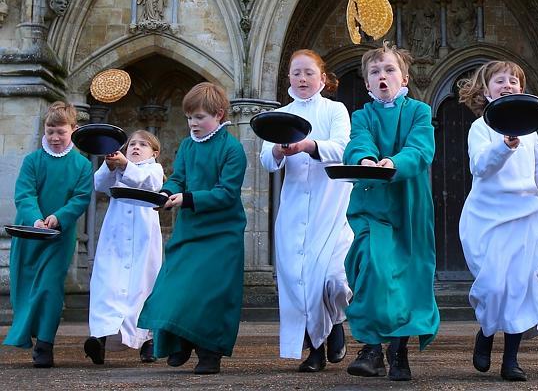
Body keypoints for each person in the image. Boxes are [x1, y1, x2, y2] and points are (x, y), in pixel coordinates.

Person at [456, 60, 538, 382]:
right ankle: (486, 331)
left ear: (521, 89)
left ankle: (510, 360)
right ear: (486, 89)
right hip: (489, 217)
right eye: (500, 81)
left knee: (520, 287)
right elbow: (480, 167)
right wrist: (504, 145)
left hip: (526, 214)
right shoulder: (481, 128)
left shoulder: (531, 132)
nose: (508, 85)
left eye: (514, 81)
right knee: (494, 285)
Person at [342, 42, 439, 382]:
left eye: (389, 70)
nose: (382, 76)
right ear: (367, 83)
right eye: (374, 72)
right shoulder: (362, 115)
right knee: (372, 265)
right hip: (372, 203)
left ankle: (398, 350)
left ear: (405, 76)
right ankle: (370, 346)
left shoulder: (419, 112)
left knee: (406, 278)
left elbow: (420, 148)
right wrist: (366, 159)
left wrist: (394, 162)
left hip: (409, 205)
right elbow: (359, 142)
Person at [137, 82, 247, 375]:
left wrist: (187, 199)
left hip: (222, 234)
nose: (193, 124)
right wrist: (165, 192)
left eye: (199, 117)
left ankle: (209, 354)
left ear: (219, 115)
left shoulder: (232, 149)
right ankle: (179, 341)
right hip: (189, 230)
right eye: (189, 118)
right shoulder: (187, 145)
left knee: (210, 295)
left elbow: (227, 193)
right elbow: (178, 178)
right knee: (174, 286)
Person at [260, 50, 353, 372]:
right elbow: (265, 161)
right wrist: (277, 149)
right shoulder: (281, 113)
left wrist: (308, 146)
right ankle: (315, 350)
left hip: (332, 204)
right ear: (289, 78)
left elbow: (343, 148)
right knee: (300, 281)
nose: (302, 78)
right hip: (295, 208)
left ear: (322, 79)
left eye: (309, 73)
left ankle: (336, 319)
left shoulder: (335, 110)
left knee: (334, 279)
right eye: (296, 73)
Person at [3, 101, 93, 367]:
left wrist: (59, 217)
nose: (54, 137)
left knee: (50, 287)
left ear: (73, 130)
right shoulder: (32, 160)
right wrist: (36, 218)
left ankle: (45, 344)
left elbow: (80, 198)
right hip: (30, 234)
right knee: (27, 286)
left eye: (61, 131)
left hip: (59, 237)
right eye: (50, 130)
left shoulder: (82, 165)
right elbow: (24, 194)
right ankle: (29, 333)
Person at [84, 130, 164, 365]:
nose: (136, 147)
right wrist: (109, 166)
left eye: (143, 145)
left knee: (143, 286)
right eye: (132, 144)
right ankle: (99, 338)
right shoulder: (117, 169)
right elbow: (99, 184)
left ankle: (148, 340)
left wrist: (126, 164)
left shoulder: (153, 170)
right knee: (107, 284)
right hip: (115, 238)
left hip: (143, 239)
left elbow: (146, 182)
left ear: (154, 153)